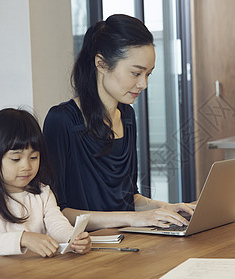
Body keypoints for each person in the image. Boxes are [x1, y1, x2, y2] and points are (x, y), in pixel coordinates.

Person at [43, 14, 195, 231]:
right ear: (101, 64)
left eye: (148, 74)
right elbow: (58, 212)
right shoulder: (62, 120)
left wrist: (168, 208)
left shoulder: (127, 116)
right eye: (136, 73)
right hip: (87, 249)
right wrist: (133, 219)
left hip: (126, 240)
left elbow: (127, 198)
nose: (143, 84)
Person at [0, 108, 91, 261]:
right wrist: (23, 238)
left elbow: (57, 224)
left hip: (36, 275)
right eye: (16, 159)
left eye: (34, 157)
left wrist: (73, 239)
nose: (26, 166)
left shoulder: (43, 193)